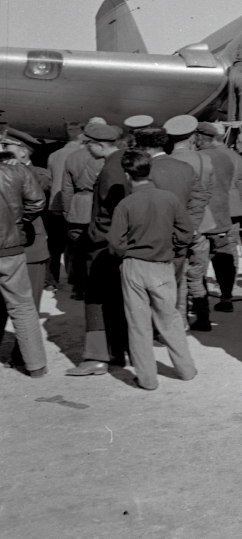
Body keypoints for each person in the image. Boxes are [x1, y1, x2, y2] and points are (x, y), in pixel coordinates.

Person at [107, 150, 195, 390]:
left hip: (134, 265)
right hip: (163, 266)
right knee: (170, 319)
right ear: (149, 171)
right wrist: (174, 249)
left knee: (138, 324)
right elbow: (186, 231)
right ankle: (186, 369)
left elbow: (115, 242)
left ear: (127, 175)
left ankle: (147, 379)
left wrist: (126, 254)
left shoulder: (125, 204)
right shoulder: (169, 199)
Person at [66, 123, 130, 376]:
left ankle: (95, 358)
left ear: (100, 145)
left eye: (88, 143)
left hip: (103, 246)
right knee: (114, 300)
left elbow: (112, 211)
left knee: (95, 299)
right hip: (113, 244)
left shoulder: (110, 170)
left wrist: (94, 235)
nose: (85, 147)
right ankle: (116, 352)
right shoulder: (121, 162)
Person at [163, 114, 216, 331]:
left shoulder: (165, 162)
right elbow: (208, 192)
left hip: (175, 224)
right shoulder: (205, 159)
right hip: (202, 222)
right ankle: (203, 317)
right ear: (193, 136)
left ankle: (181, 319)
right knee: (197, 272)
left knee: (178, 273)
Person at [0, 142, 48, 377]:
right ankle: (36, 365)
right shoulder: (17, 171)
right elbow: (38, 202)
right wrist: (19, 221)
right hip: (11, 249)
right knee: (23, 306)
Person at [195, 122, 242, 312]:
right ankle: (226, 297)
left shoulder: (198, 158)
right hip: (224, 216)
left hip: (203, 218)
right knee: (224, 259)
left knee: (199, 262)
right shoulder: (227, 157)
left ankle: (201, 303)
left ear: (198, 138)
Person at [61, 119, 106, 299]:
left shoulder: (72, 157)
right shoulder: (103, 158)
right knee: (97, 249)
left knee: (77, 250)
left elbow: (67, 189)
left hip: (78, 206)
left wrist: (67, 211)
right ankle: (94, 286)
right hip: (97, 205)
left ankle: (78, 288)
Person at [45, 120, 83, 289]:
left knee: (54, 245)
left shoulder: (54, 155)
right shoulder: (83, 155)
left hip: (55, 205)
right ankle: (75, 281)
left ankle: (51, 281)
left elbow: (50, 179)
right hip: (75, 207)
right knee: (76, 245)